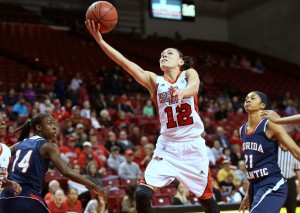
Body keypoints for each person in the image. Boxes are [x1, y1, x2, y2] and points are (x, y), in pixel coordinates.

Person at [85, 19, 219, 213]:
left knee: (207, 201)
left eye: (169, 53)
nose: (164, 55)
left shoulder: (189, 73)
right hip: (168, 146)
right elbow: (124, 63)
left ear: (180, 61)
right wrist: (100, 41)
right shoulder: (154, 82)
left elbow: (195, 86)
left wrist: (184, 92)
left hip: (192, 146)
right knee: (141, 194)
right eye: (162, 54)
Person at [0, 113, 107, 213]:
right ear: (38, 127)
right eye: (50, 124)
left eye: (55, 124)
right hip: (28, 196)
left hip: (5, 196)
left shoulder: (20, 144)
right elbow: (66, 171)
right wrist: (93, 185)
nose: (54, 127)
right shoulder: (49, 146)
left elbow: (2, 151)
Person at [238, 91, 300, 213]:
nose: (248, 100)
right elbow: (252, 164)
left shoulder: (270, 124)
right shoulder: (242, 129)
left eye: (252, 98)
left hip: (272, 184)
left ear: (262, 105)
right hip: (254, 186)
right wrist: (247, 193)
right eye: (246, 98)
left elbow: (296, 152)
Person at [0, 113, 22, 194]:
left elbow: (1, 180)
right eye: (0, 122)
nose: (3, 124)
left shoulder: (6, 150)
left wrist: (12, 184)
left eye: (3, 122)